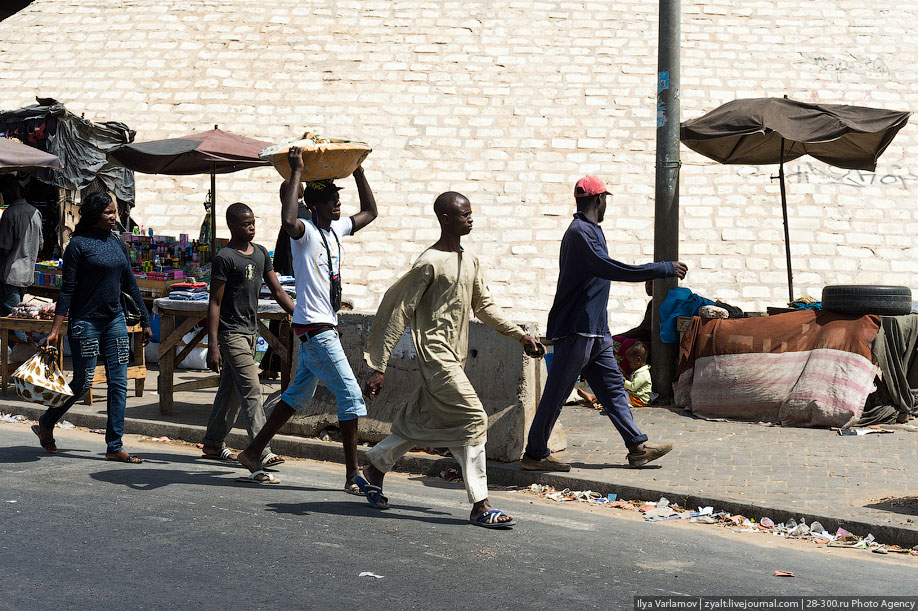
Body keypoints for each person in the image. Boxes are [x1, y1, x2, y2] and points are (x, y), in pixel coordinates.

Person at [358, 191, 545, 529]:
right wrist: (378, 365)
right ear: (446, 219)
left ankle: (373, 468)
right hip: (435, 355)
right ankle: (480, 504)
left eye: (471, 213)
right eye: (463, 215)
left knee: (418, 422)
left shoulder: (470, 260)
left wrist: (521, 336)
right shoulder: (428, 262)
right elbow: (398, 311)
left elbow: (485, 307)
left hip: (455, 358)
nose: (470, 219)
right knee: (474, 419)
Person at [522, 176, 688, 472]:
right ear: (599, 200)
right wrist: (660, 268)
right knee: (557, 394)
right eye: (605, 199)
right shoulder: (580, 233)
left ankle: (637, 447)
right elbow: (608, 268)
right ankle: (535, 454)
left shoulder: (590, 231)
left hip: (596, 331)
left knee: (612, 390)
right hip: (576, 330)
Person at [235, 147, 378, 488]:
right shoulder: (305, 233)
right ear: (315, 206)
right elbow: (287, 220)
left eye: (337, 199)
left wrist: (357, 172)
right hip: (316, 328)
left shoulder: (335, 231)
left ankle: (253, 451)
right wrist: (297, 170)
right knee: (350, 397)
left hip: (320, 326)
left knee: (295, 397)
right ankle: (351, 474)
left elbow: (370, 212)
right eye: (330, 200)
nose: (337, 205)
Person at [32, 191, 152, 462]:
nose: (114, 217)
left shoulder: (117, 242)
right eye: (109, 212)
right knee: (83, 382)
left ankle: (114, 445)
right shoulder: (78, 246)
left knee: (119, 383)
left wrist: (144, 319)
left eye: (115, 212)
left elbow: (129, 282)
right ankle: (47, 422)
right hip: (84, 322)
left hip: (115, 320)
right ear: (94, 214)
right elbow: (67, 290)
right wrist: (54, 330)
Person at [201, 202, 295, 468]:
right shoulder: (225, 258)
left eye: (253, 222)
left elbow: (277, 290)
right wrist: (213, 345)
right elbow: (215, 303)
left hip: (251, 332)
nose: (251, 227)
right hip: (231, 335)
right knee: (253, 390)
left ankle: (212, 443)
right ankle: (261, 449)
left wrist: (299, 316)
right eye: (245, 223)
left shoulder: (261, 253)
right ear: (232, 226)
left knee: (229, 391)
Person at [258, 181, 308, 381]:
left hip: (290, 279)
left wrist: (280, 275)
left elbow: (287, 254)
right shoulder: (304, 214)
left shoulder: (294, 217)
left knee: (281, 325)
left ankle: (275, 366)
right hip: (295, 277)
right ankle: (273, 364)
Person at [0, 174, 43, 341]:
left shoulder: (10, 214)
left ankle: (22, 353)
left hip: (10, 274)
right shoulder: (35, 212)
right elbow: (40, 244)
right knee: (17, 313)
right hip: (26, 274)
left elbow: (4, 248)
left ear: (11, 191)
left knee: (13, 318)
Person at [622, 342, 652, 407]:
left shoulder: (643, 373)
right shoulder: (639, 372)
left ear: (638, 360)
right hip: (634, 397)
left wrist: (624, 382)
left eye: (630, 362)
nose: (629, 364)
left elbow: (633, 387)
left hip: (638, 400)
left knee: (619, 394)